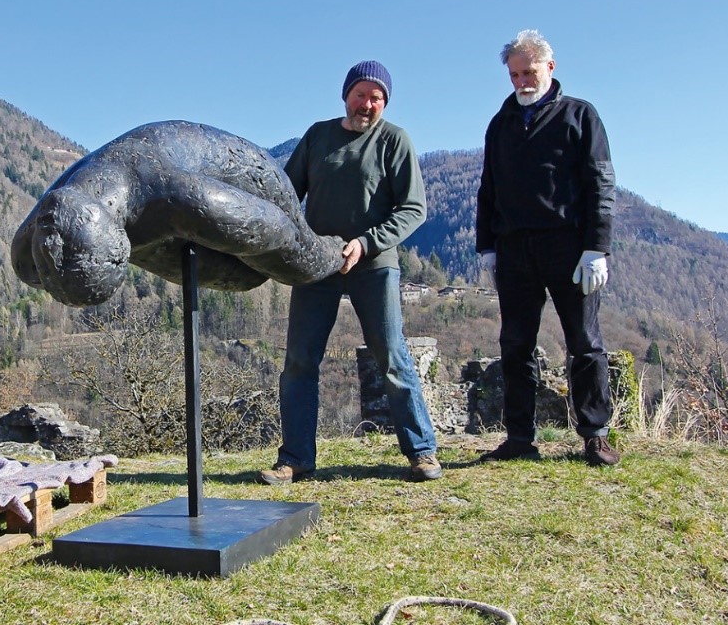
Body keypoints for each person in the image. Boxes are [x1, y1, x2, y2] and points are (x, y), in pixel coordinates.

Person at [260, 60, 442, 484]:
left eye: (377, 98)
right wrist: (292, 244)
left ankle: (422, 451)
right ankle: (295, 459)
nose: (367, 104)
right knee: (300, 361)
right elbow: (287, 195)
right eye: (361, 94)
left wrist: (367, 242)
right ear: (346, 95)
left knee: (392, 357)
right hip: (318, 265)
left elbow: (414, 209)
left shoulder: (395, 140)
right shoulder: (318, 136)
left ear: (385, 104)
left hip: (374, 265)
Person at [475, 30, 620, 466]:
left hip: (570, 248)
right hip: (515, 250)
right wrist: (488, 245)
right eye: (515, 74)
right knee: (515, 345)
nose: (522, 81)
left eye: (529, 71)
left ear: (550, 68)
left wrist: (597, 247)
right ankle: (519, 438)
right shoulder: (500, 124)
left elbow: (601, 183)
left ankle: (595, 435)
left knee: (585, 342)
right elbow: (488, 190)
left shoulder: (580, 116)